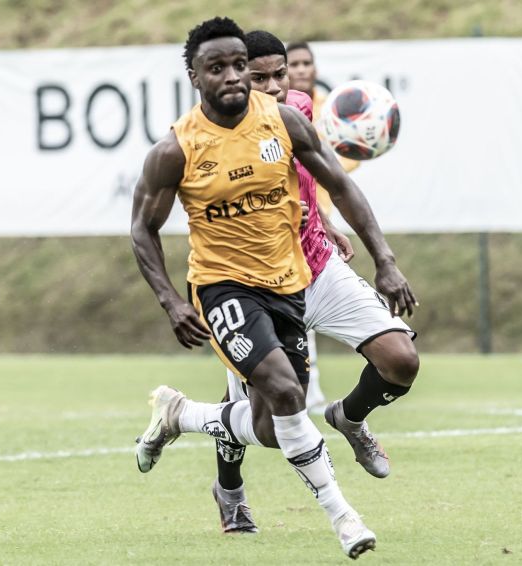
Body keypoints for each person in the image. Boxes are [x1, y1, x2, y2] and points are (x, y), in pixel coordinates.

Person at [131, 17, 414, 559]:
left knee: (268, 425)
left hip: (293, 280)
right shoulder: (177, 149)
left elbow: (340, 185)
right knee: (288, 394)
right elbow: (142, 228)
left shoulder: (284, 121)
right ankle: (344, 517)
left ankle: (180, 415)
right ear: (195, 76)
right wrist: (171, 300)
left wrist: (384, 258)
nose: (236, 77)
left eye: (241, 65)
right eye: (220, 68)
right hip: (222, 287)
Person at [205, 29, 419, 536]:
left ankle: (350, 415)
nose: (276, 86)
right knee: (261, 421)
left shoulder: (296, 109)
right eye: (262, 78)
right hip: (255, 284)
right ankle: (229, 489)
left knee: (402, 360)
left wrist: (358, 244)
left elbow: (321, 179)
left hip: (318, 267)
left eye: (281, 74)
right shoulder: (213, 137)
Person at [287, 40, 365, 411]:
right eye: (294, 64)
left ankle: (312, 385)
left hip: (319, 214)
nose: (301, 70)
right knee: (295, 299)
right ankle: (309, 383)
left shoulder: (328, 111)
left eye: (307, 63)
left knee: (310, 296)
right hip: (287, 220)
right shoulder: (275, 111)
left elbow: (338, 167)